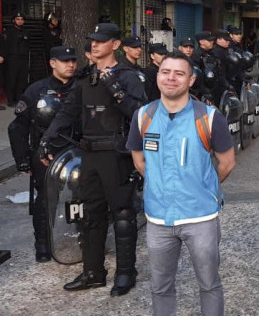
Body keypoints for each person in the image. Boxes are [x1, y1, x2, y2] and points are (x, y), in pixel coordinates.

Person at [41, 23, 147, 295]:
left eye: (101, 41)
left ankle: (125, 272)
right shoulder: (85, 78)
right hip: (89, 154)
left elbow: (140, 115)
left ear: (115, 45)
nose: (95, 45)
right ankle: (93, 271)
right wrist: (47, 139)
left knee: (123, 214)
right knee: (90, 215)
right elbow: (67, 112)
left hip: (116, 154)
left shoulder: (127, 75)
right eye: (92, 40)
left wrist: (115, 88)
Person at [126, 51, 235, 316]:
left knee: (209, 283)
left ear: (191, 80)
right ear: (158, 76)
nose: (171, 78)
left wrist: (200, 186)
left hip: (200, 218)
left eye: (179, 73)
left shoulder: (209, 117)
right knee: (160, 286)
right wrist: (159, 185)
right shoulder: (143, 116)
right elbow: (140, 161)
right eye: (166, 72)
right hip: (158, 219)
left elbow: (227, 162)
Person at [8, 46, 78, 262]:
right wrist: (23, 161)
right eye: (64, 61)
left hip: (76, 153)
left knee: (82, 198)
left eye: (73, 61)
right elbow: (17, 127)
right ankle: (44, 245)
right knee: (46, 202)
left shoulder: (82, 88)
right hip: (45, 154)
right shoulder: (36, 90)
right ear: (53, 63)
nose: (70, 65)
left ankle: (82, 238)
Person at [2, 12, 30, 105]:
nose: (20, 21)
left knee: (21, 80)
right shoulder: (8, 32)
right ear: (14, 20)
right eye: (18, 19)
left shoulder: (26, 31)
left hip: (23, 58)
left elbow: (28, 45)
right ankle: (10, 100)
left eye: (21, 19)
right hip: (12, 58)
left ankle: (18, 99)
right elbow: (4, 45)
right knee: (11, 79)